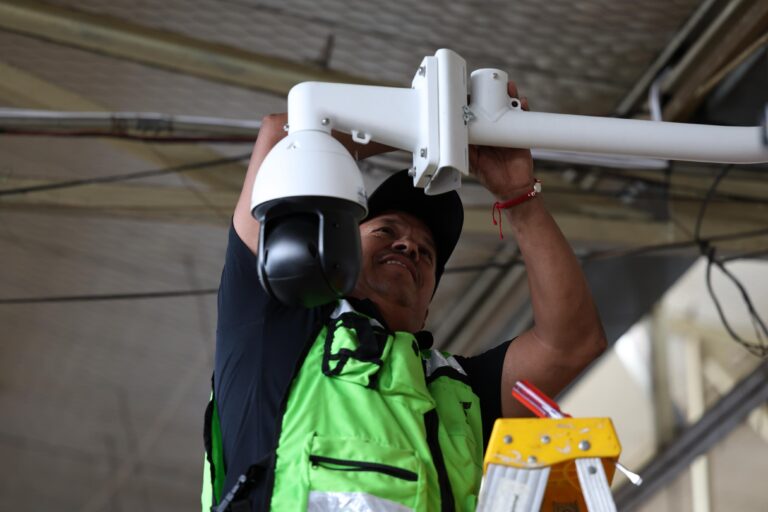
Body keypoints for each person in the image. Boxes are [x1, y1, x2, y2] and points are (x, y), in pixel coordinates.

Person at [202, 82, 606, 511]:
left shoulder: (460, 392)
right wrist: (434, 125)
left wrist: (517, 196)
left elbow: (573, 343)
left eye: (426, 253)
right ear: (340, 251)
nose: (409, 246)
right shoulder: (277, 325)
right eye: (386, 231)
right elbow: (283, 134)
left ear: (427, 308)